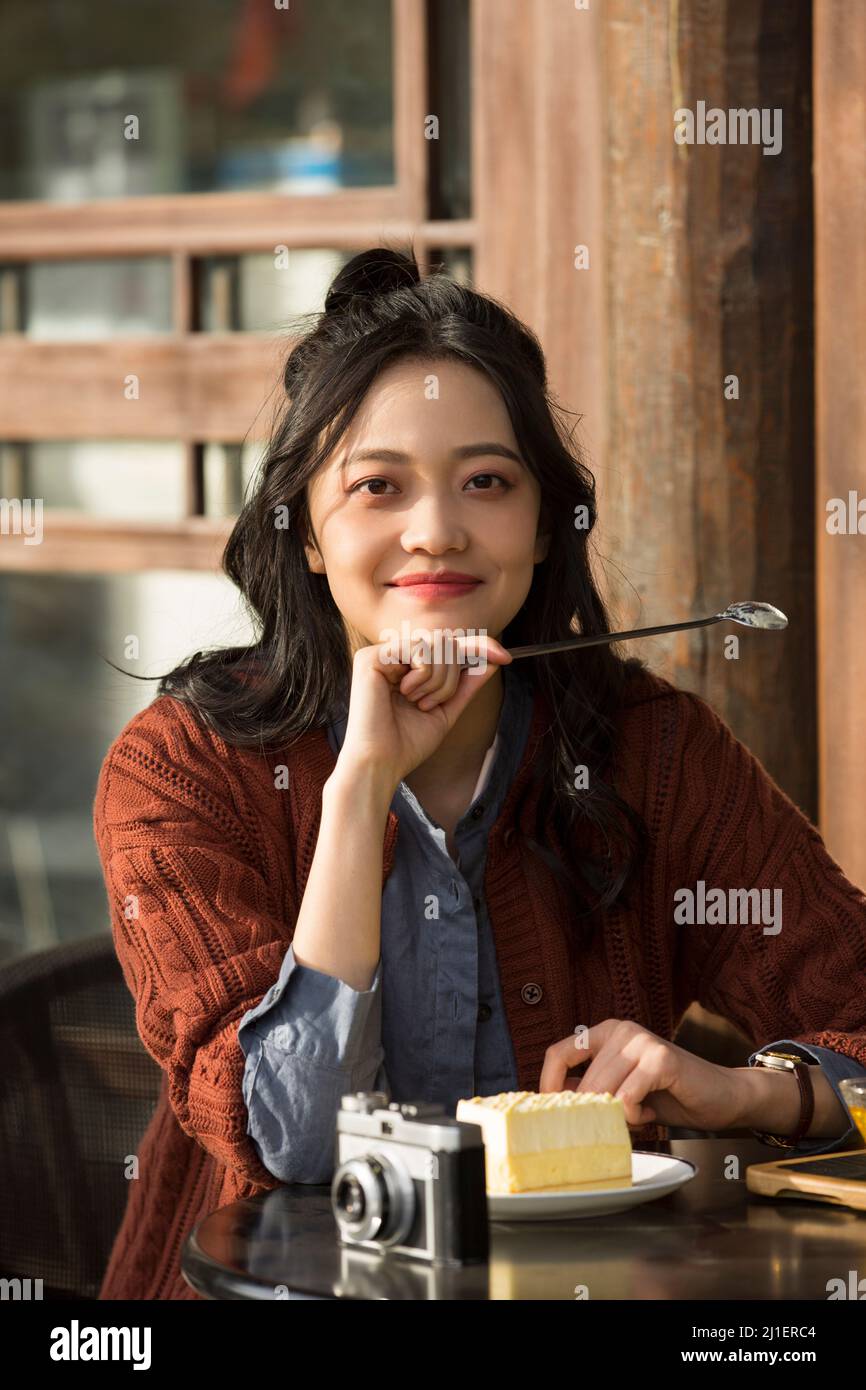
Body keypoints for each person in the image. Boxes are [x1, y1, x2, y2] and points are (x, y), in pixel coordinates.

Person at [94, 246, 866, 1300]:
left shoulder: (652, 750)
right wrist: (362, 782)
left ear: (543, 524)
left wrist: (752, 1093)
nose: (436, 531)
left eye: (486, 482)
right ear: (307, 532)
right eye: (377, 486)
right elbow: (291, 1140)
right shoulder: (182, 769)